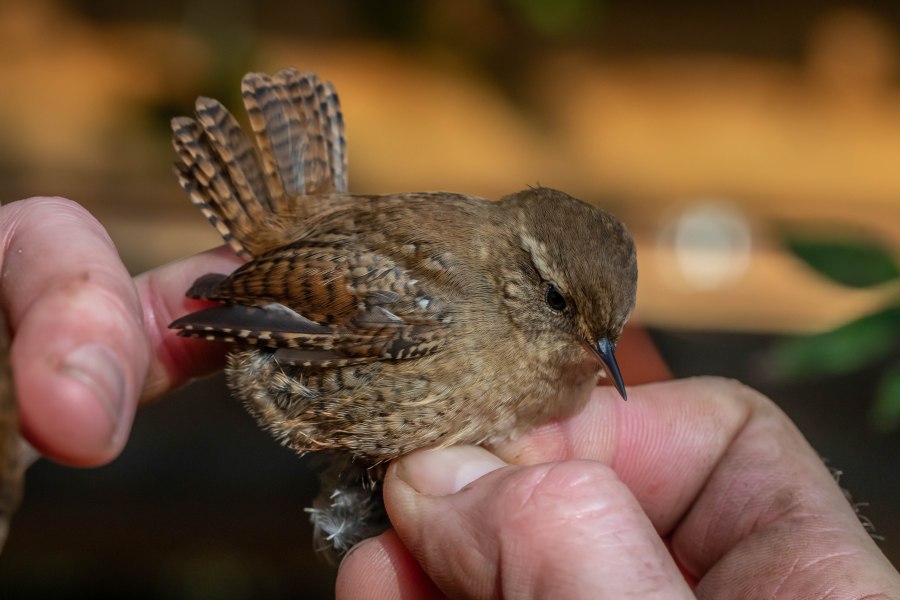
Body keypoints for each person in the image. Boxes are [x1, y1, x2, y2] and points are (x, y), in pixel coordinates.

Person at [2, 196, 898, 598]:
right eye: (565, 310)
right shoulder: (451, 304)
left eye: (608, 331)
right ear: (523, 278)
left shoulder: (558, 356)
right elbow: (301, 309)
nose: (596, 353)